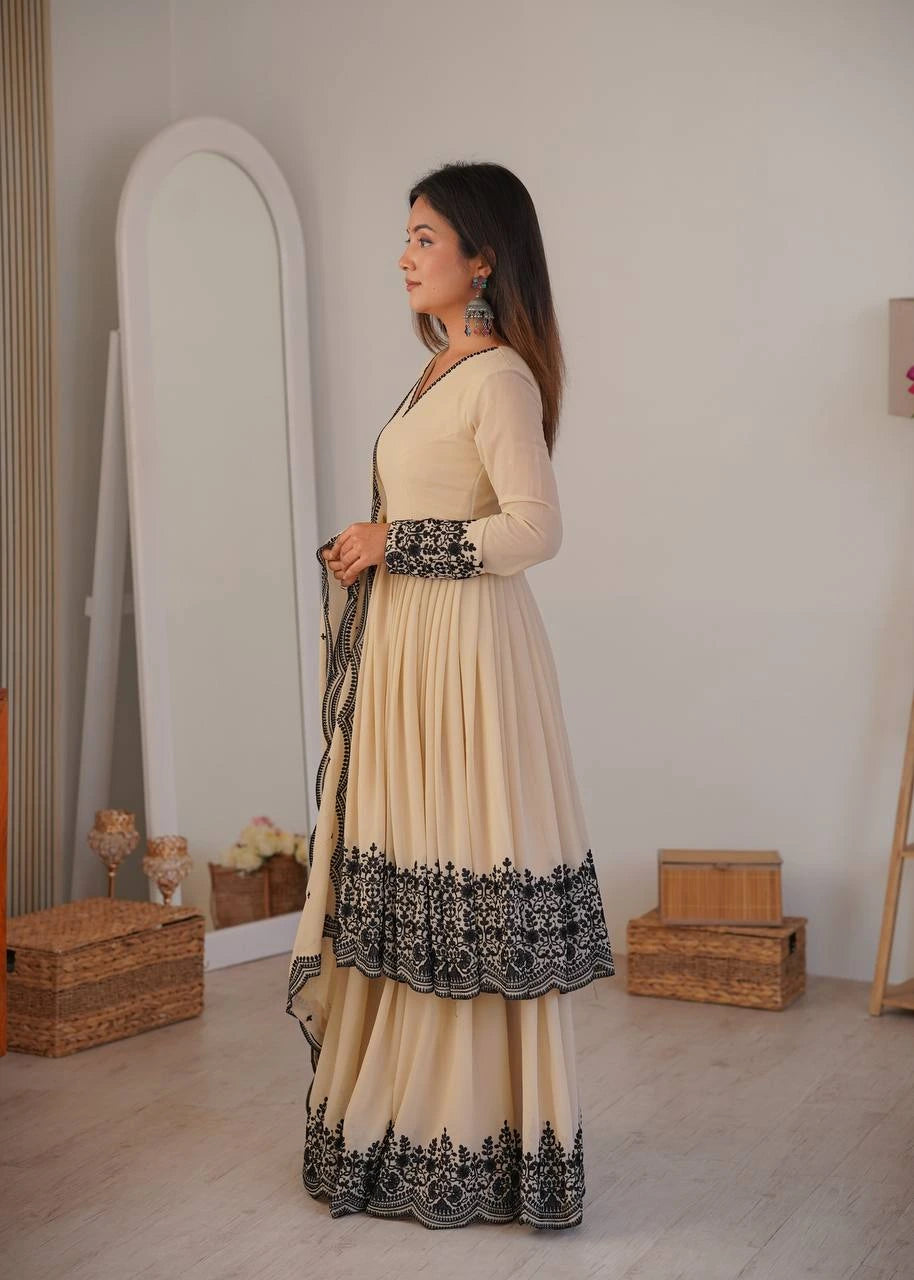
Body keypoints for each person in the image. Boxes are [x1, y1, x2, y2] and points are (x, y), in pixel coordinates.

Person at [286, 160, 615, 1230]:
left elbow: (534, 528)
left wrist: (400, 540)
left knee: (463, 870)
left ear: (481, 258)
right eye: (406, 235)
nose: (403, 254)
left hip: (467, 665)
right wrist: (366, 545)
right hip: (408, 654)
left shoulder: (500, 376)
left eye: (423, 237)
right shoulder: (436, 373)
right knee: (407, 869)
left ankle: (477, 1143)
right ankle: (396, 1123)